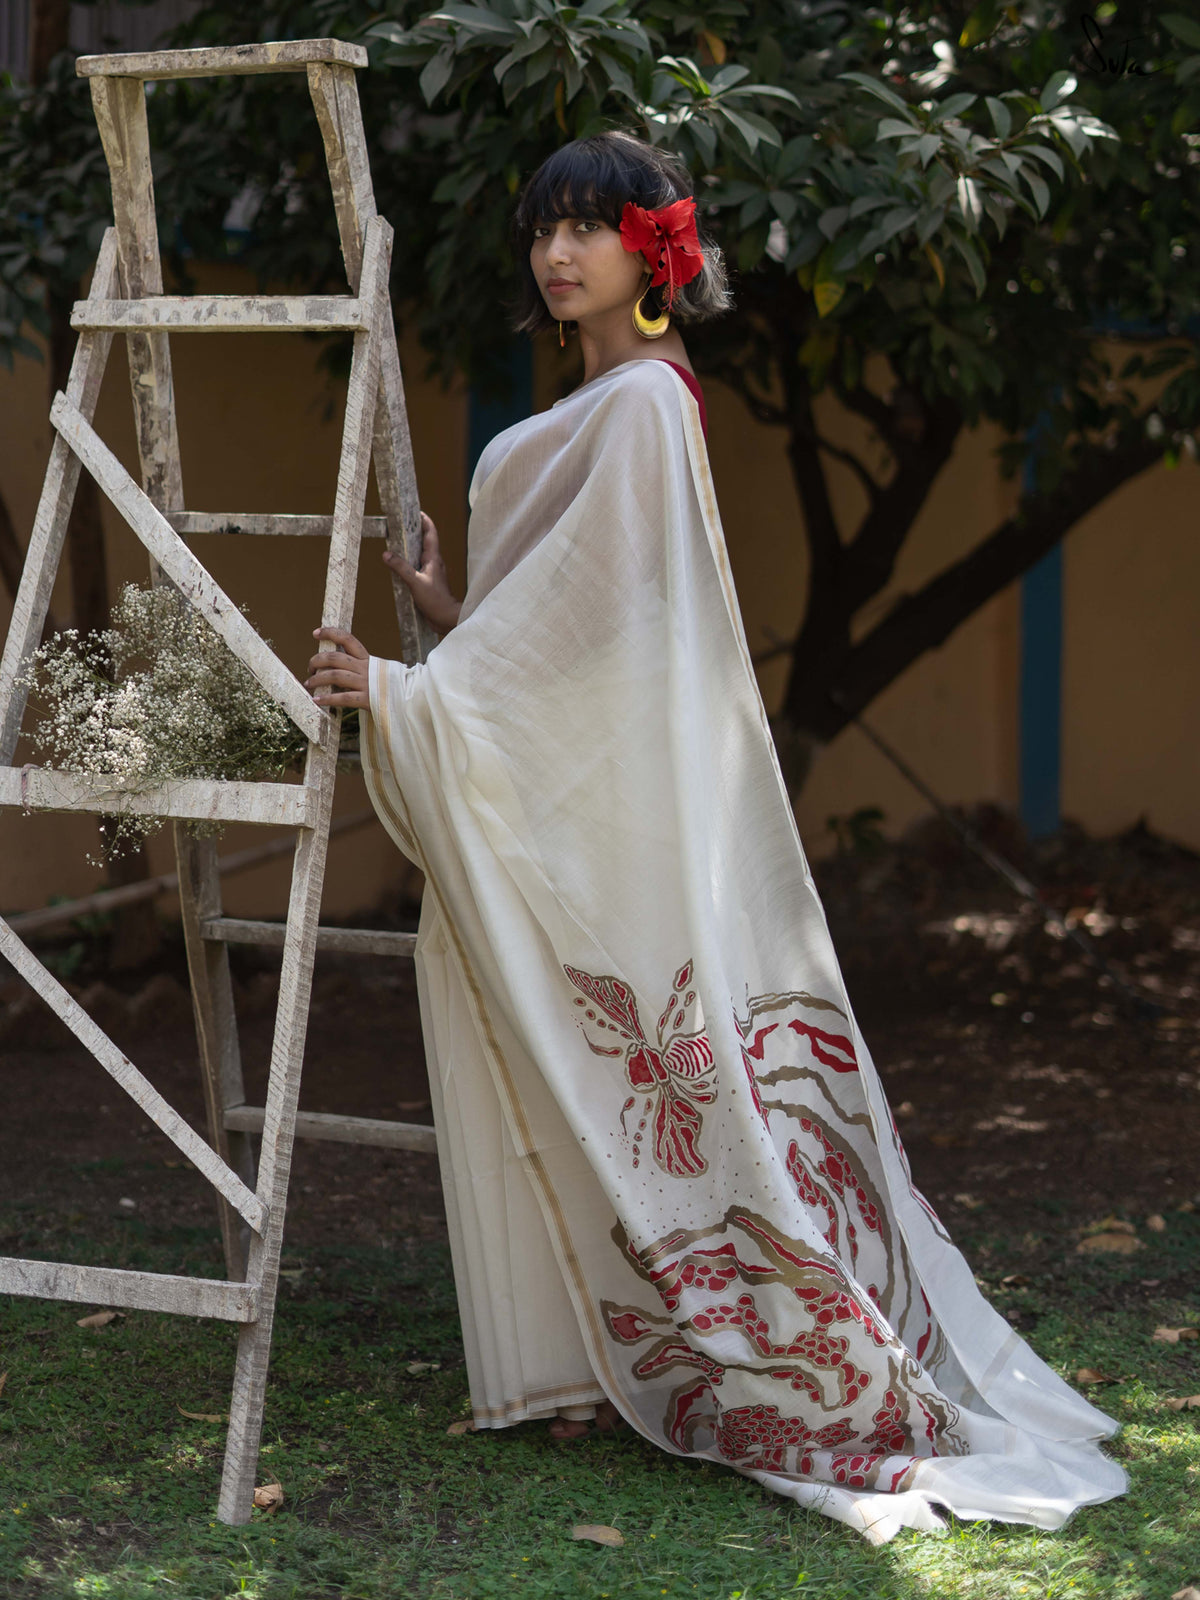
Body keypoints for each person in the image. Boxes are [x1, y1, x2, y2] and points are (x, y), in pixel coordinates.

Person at [303, 131, 1128, 1544]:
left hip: (601, 803)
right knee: (556, 1046)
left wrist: (398, 690)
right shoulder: (603, 399)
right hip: (557, 778)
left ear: (653, 248)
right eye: (544, 231)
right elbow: (563, 632)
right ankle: (579, 1365)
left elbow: (606, 645)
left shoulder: (642, 404)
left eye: (589, 227)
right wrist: (448, 618)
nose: (558, 254)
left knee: (620, 1060)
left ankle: (701, 1352)